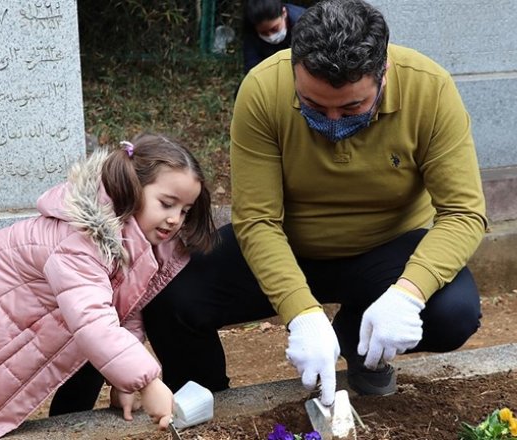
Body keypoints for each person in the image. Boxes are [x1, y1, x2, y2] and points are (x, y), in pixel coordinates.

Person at [144, 0, 487, 407]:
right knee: (169, 295)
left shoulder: (429, 89)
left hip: (385, 252)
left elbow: (463, 213)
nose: (333, 122)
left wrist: (407, 296)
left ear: (384, 73)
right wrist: (302, 315)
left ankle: (360, 339)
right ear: (294, 72)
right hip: (288, 244)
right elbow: (258, 220)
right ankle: (204, 403)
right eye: (314, 106)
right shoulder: (263, 89)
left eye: (351, 107)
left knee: (453, 314)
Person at [0, 134, 217, 438]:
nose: (175, 219)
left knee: (89, 350)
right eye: (167, 204)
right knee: (86, 340)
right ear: (132, 189)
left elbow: (124, 309)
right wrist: (148, 382)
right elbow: (94, 321)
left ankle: (71, 428)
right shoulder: (81, 242)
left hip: (47, 309)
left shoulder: (138, 241)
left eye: (184, 210)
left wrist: (124, 379)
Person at [242, 0, 306, 74]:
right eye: (263, 33)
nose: (270, 36)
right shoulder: (251, 31)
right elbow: (252, 67)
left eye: (274, 29)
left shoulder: (304, 24)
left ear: (284, 13)